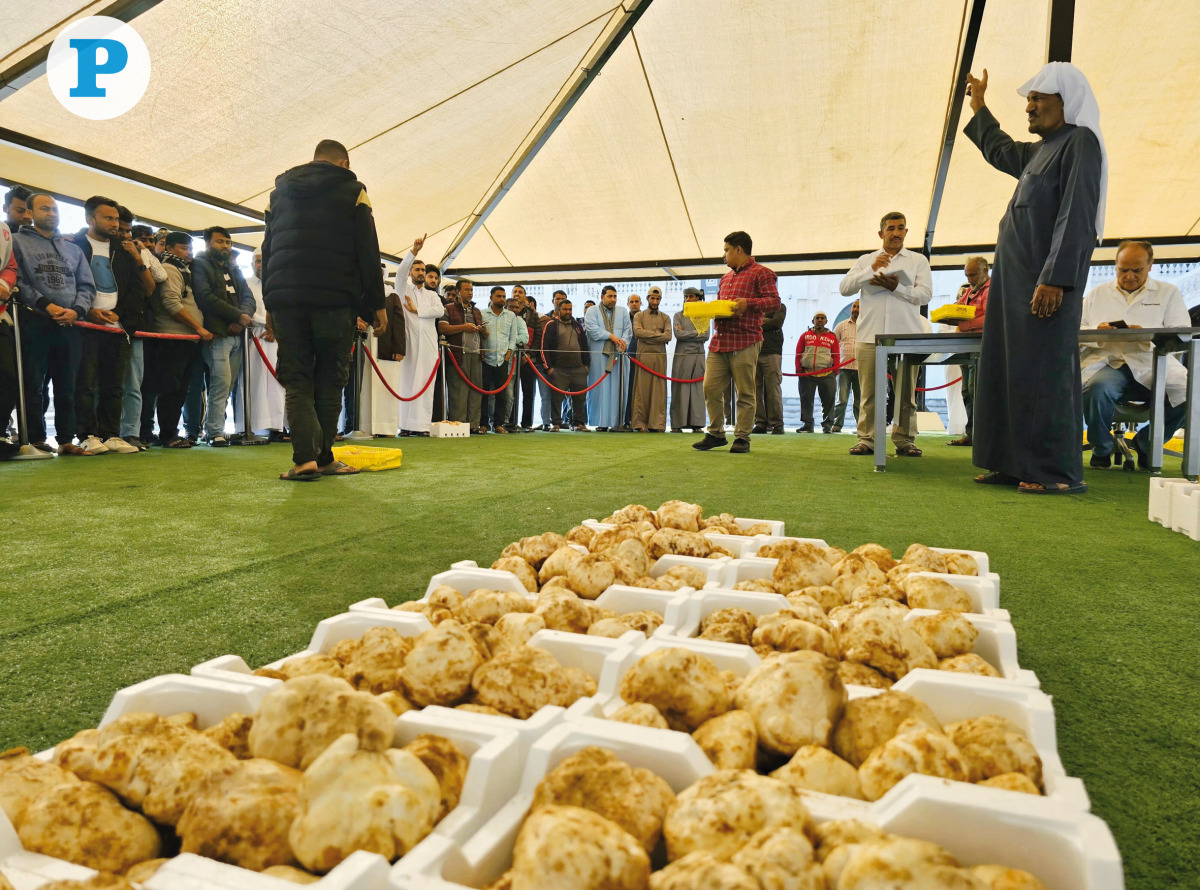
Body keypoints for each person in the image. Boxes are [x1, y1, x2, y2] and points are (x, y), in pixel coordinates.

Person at [964, 63, 1104, 493]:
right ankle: (1010, 462)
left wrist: (1056, 280)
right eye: (1028, 99)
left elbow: (1076, 215)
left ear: (1068, 102)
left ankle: (1054, 472)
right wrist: (980, 105)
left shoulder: (1080, 142)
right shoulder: (1039, 151)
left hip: (1045, 285)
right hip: (1013, 284)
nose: (1030, 106)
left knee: (1044, 373)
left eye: (1039, 99)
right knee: (1007, 370)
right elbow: (1002, 149)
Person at [262, 139, 391, 480]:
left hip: (287, 300)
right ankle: (322, 459)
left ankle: (305, 461)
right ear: (344, 163)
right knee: (331, 380)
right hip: (335, 300)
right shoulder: (353, 190)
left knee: (298, 380)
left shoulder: (279, 194)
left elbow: (269, 247)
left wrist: (270, 302)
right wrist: (376, 305)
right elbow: (367, 246)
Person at [1080, 240, 1189, 469]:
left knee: (1190, 390)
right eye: (1123, 270)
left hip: (1152, 362)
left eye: (1137, 270)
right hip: (1108, 362)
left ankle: (1145, 443)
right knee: (1096, 389)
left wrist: (1146, 337)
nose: (1129, 276)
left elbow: (1181, 334)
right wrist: (1098, 333)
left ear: (1150, 265)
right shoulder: (1097, 293)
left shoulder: (1168, 293)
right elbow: (1078, 331)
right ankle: (1102, 447)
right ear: (1115, 265)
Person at [838, 212, 932, 457]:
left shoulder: (918, 260)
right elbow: (844, 289)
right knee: (869, 392)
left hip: (907, 335)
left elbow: (925, 295)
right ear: (881, 233)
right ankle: (867, 440)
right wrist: (870, 270)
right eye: (890, 228)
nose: (896, 233)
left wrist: (897, 288)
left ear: (906, 232)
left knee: (906, 394)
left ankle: (905, 440)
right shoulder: (866, 259)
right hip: (870, 335)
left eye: (900, 228)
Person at [12, 194, 96, 455]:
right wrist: (46, 305)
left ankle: (66, 441)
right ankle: (35, 439)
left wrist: (77, 311)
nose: (52, 213)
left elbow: (86, 285)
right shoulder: (16, 242)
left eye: (55, 209)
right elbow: (18, 281)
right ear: (29, 213)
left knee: (67, 385)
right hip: (33, 322)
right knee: (33, 383)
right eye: (45, 209)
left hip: (70, 325)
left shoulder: (73, 249)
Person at [66, 196, 147, 455]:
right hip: (83, 324)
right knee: (85, 383)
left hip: (117, 326)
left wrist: (119, 315)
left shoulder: (124, 250)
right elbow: (67, 283)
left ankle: (112, 434)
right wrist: (87, 311)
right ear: (91, 219)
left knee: (115, 385)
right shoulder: (73, 245)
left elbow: (136, 289)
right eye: (107, 218)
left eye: (115, 219)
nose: (114, 224)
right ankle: (88, 435)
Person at [693, 231, 781, 454]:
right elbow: (726, 306)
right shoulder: (725, 278)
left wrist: (747, 304)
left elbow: (774, 303)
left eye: (726, 250)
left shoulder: (763, 273)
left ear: (738, 249)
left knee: (745, 392)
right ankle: (716, 433)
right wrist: (712, 311)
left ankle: (742, 437)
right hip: (719, 340)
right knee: (710, 388)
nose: (724, 255)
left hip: (746, 339)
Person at [144, 232, 211, 447]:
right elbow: (171, 303)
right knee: (171, 389)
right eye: (183, 248)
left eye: (190, 248)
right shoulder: (171, 269)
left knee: (180, 389)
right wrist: (199, 327)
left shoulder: (183, 269)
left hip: (185, 338)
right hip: (172, 337)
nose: (189, 252)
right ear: (170, 249)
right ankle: (168, 435)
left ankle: (170, 433)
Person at [193, 226, 255, 446]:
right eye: (220, 242)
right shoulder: (199, 264)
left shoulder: (233, 267)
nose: (225, 246)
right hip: (217, 334)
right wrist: (239, 316)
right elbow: (205, 297)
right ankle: (214, 432)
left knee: (228, 386)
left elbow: (248, 297)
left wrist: (243, 317)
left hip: (238, 335)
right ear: (208, 243)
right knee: (220, 385)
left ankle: (217, 427)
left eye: (228, 243)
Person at [112, 208, 158, 451]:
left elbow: (149, 289)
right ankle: (103, 433)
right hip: (103, 324)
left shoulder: (135, 253)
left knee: (133, 384)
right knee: (103, 383)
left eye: (128, 230)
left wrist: (139, 259)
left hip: (133, 326)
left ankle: (131, 432)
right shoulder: (96, 248)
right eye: (120, 229)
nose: (124, 234)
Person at [234, 246, 288, 441]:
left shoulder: (281, 284)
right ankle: (250, 426)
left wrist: (276, 329)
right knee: (253, 383)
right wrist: (266, 325)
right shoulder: (245, 283)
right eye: (257, 260)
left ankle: (277, 427)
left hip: (278, 338)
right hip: (254, 337)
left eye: (264, 260)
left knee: (277, 383)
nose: (261, 264)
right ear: (251, 264)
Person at [397, 253, 443, 437]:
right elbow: (399, 273)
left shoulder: (432, 295)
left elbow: (440, 310)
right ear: (411, 273)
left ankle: (422, 426)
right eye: (417, 269)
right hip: (409, 344)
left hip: (429, 347)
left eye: (423, 270)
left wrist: (418, 310)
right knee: (407, 384)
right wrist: (413, 253)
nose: (421, 273)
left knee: (425, 386)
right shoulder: (404, 290)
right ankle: (405, 426)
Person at [947, 257, 991, 447]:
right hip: (966, 345)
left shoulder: (992, 290)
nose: (970, 278)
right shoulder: (969, 291)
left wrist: (966, 325)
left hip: (981, 346)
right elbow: (960, 309)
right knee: (967, 391)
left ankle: (983, 436)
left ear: (985, 270)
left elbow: (990, 317)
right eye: (967, 275)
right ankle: (972, 434)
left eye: (973, 274)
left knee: (977, 390)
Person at [584, 285, 633, 432]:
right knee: (599, 388)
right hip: (599, 356)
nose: (613, 299)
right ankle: (601, 422)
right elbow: (593, 330)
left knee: (618, 389)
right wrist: (611, 336)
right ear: (602, 297)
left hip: (618, 355)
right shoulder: (592, 311)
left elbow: (628, 331)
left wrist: (622, 342)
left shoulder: (623, 311)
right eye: (610, 296)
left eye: (615, 296)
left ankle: (617, 422)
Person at [439, 277, 485, 430]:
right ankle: (458, 425)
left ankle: (473, 425)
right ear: (458, 292)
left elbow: (487, 334)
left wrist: (482, 329)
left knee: (475, 391)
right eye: (467, 290)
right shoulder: (448, 308)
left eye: (471, 290)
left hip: (477, 354)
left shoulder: (477, 311)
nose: (470, 293)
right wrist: (464, 327)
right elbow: (442, 328)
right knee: (458, 391)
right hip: (458, 354)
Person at [542, 298, 590, 432]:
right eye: (565, 309)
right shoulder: (551, 325)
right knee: (557, 398)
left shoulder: (577, 326)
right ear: (558, 310)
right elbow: (544, 347)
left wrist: (586, 366)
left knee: (580, 398)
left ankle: (578, 423)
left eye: (570, 309)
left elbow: (584, 346)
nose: (568, 312)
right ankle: (556, 423)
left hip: (578, 369)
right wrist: (549, 368)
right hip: (559, 369)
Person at [480, 285, 522, 433]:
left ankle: (498, 424)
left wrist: (509, 354)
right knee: (484, 393)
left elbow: (513, 337)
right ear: (491, 298)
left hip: (503, 360)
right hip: (486, 360)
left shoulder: (511, 316)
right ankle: (483, 424)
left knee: (502, 395)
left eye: (503, 296)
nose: (502, 299)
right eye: (498, 296)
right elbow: (480, 336)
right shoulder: (482, 314)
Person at [631, 288, 671, 432]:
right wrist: (657, 335)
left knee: (658, 391)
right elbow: (637, 332)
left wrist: (647, 336)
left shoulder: (665, 317)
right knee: (642, 390)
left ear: (660, 300)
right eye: (652, 298)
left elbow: (668, 336)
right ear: (647, 298)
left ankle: (657, 425)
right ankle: (640, 424)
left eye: (657, 299)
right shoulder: (639, 316)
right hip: (643, 357)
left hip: (660, 357)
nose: (655, 301)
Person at [795, 312, 840, 433]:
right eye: (817, 318)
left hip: (827, 374)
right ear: (812, 321)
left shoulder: (832, 337)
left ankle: (827, 426)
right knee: (806, 400)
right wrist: (799, 370)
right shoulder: (804, 336)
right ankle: (808, 425)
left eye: (822, 318)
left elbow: (836, 355)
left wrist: (835, 370)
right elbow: (798, 353)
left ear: (826, 321)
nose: (819, 320)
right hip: (807, 373)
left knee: (829, 400)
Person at [671, 286, 708, 432]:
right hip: (682, 356)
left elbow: (705, 336)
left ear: (698, 298)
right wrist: (696, 333)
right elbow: (678, 335)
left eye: (692, 297)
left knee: (697, 389)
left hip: (698, 355)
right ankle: (677, 424)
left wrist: (687, 333)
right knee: (680, 388)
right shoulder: (678, 315)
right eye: (686, 297)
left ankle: (697, 424)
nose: (688, 299)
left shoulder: (704, 315)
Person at [752, 301, 787, 434]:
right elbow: (749, 323)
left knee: (773, 389)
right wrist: (765, 321)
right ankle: (760, 422)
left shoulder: (779, 306)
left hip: (772, 351)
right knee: (755, 390)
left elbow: (776, 323)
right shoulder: (754, 306)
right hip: (754, 351)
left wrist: (757, 321)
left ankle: (777, 423)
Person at [511, 284, 542, 431]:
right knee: (511, 392)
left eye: (520, 292)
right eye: (515, 291)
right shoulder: (507, 310)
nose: (517, 294)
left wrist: (529, 354)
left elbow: (537, 336)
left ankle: (527, 423)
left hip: (529, 359)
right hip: (510, 358)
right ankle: (510, 422)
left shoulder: (532, 314)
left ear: (525, 296)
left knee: (528, 392)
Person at [0, 221, 19, 447]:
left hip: (1, 316)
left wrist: (4, 284)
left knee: (7, 376)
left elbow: (10, 265)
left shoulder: (3, 228)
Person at [830, 300, 860, 433]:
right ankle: (837, 425)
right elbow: (832, 344)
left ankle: (861, 426)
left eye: (859, 307)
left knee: (860, 401)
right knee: (841, 399)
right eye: (854, 306)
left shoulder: (867, 326)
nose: (856, 309)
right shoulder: (841, 326)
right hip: (844, 368)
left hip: (861, 368)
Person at [622, 293, 643, 429]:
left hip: (644, 359)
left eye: (636, 301)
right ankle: (627, 420)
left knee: (641, 390)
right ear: (628, 303)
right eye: (632, 301)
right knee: (628, 390)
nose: (634, 304)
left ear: (641, 303)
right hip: (627, 358)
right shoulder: (624, 319)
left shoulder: (644, 317)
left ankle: (641, 421)